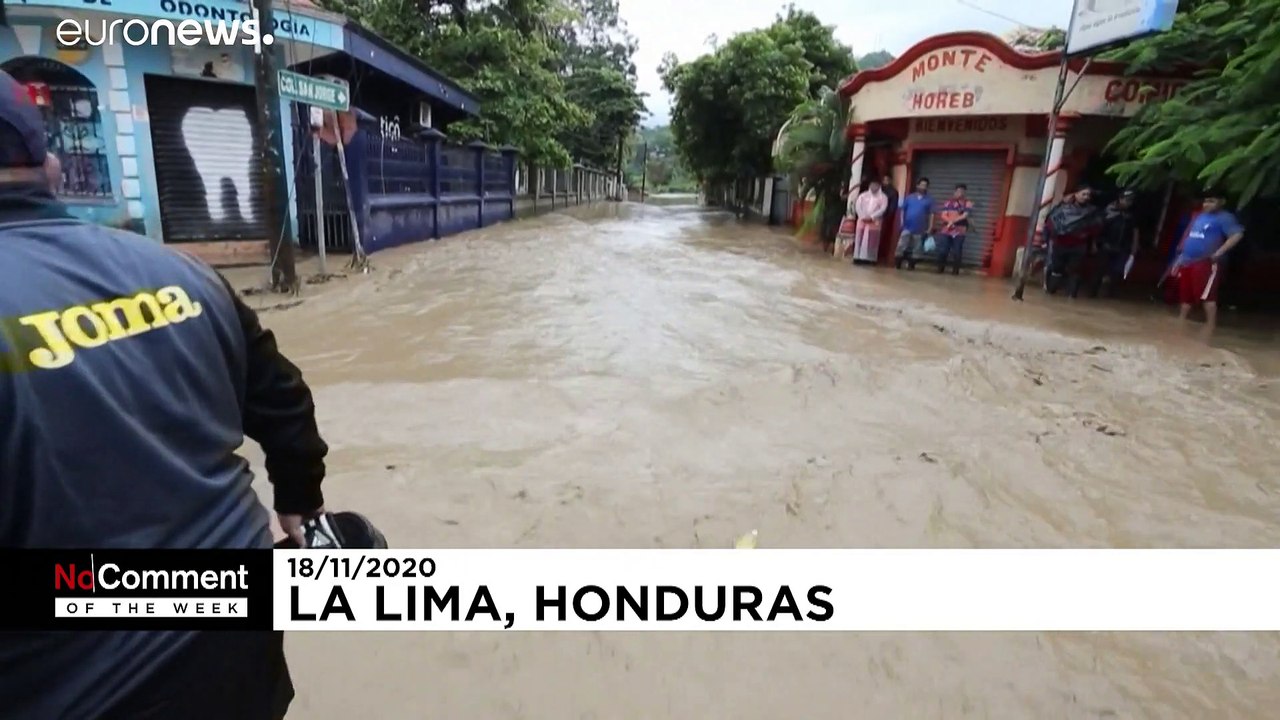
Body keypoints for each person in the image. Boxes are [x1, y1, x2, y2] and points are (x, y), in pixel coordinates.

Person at [0, 70, 328, 720]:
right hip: (241, 638)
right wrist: (299, 503)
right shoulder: (182, 271)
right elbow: (284, 400)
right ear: (54, 165)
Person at [1170, 188, 1244, 333]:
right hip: (1187, 261)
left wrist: (1219, 252)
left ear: (1221, 202)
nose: (1206, 204)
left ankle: (1210, 325)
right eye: (1205, 201)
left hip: (1206, 262)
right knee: (1185, 296)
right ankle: (1181, 322)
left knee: (1208, 297)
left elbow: (1237, 235)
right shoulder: (1199, 216)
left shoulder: (1225, 218)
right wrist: (1179, 259)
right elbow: (1190, 237)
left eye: (1211, 201)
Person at [1044, 185, 1103, 297]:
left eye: (1088, 195)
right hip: (1060, 244)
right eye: (1083, 194)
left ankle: (1072, 295)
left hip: (1078, 245)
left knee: (1075, 270)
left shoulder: (1092, 211)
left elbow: (1096, 227)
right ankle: (1050, 292)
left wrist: (1086, 236)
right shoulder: (1062, 208)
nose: (1086, 197)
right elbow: (1050, 222)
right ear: (1076, 194)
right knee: (1056, 268)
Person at [1089, 189, 1140, 298]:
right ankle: (1092, 295)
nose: (1128, 203)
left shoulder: (1131, 215)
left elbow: (1135, 232)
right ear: (1120, 199)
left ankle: (1110, 296)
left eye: (1130, 201)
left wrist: (1134, 248)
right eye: (1126, 200)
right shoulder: (1108, 211)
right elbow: (1097, 228)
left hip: (1122, 248)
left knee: (1116, 273)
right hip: (1106, 245)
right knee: (1099, 271)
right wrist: (1094, 243)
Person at [894, 177, 934, 270]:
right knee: (901, 245)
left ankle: (911, 265)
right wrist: (902, 222)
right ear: (917, 185)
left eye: (925, 186)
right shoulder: (910, 197)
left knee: (917, 247)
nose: (923, 187)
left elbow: (932, 214)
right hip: (907, 226)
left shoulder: (929, 200)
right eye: (922, 185)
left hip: (920, 228)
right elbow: (903, 210)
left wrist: (930, 227)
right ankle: (898, 263)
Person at [935, 183, 973, 275]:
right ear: (955, 191)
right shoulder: (948, 202)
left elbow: (965, 215)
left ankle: (955, 270)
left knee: (957, 250)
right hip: (947, 229)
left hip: (960, 230)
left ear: (965, 192)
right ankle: (940, 268)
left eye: (962, 191)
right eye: (958, 191)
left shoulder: (968, 203)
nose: (960, 193)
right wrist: (949, 222)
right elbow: (943, 215)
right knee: (943, 250)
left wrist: (952, 222)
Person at [852, 178, 888, 265]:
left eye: (876, 185)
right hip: (862, 221)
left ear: (879, 186)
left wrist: (872, 217)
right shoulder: (862, 196)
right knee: (859, 239)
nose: (873, 187)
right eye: (872, 184)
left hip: (874, 222)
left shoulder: (883, 197)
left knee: (872, 241)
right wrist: (862, 216)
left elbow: (883, 209)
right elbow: (857, 206)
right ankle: (857, 257)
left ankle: (870, 259)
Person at [880, 173, 900, 245]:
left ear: (891, 181)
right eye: (884, 180)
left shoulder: (893, 192)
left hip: (885, 217)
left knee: (883, 235)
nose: (885, 182)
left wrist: (886, 216)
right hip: (875, 217)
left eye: (887, 180)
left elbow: (893, 207)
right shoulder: (879, 190)